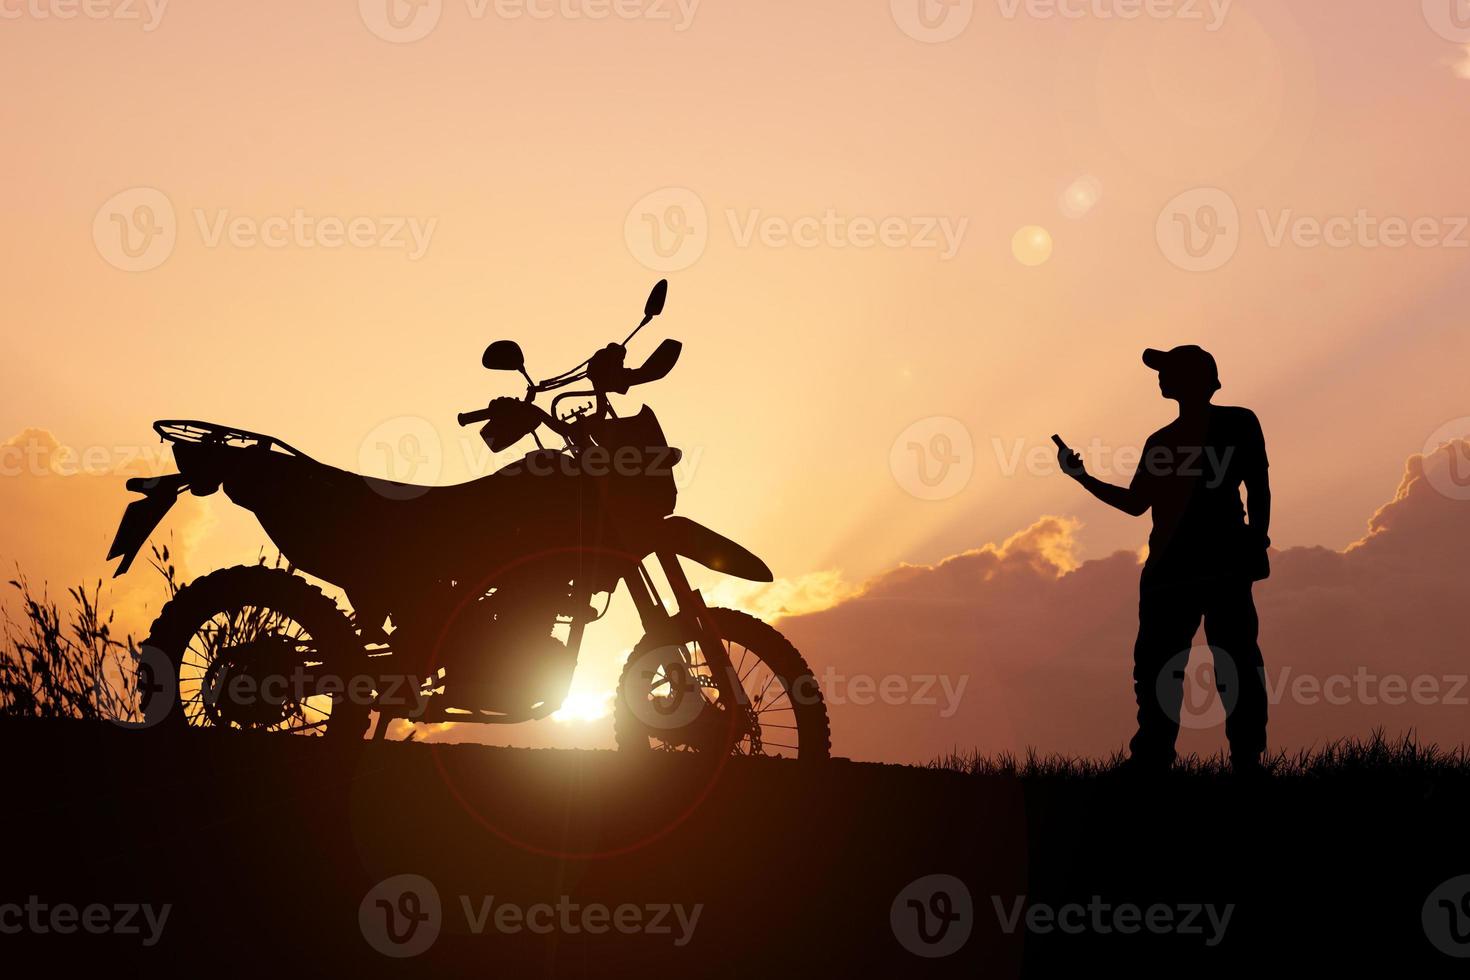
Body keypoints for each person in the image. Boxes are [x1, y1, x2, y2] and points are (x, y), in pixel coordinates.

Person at [1055, 346, 1270, 774]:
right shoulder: (1162, 440)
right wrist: (1082, 478)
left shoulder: (1237, 423)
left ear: (1195, 378)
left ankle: (1243, 761)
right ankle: (1154, 758)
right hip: (1173, 572)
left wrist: (1255, 542)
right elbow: (1138, 503)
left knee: (1235, 663)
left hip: (1212, 566)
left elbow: (1259, 487)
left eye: (1168, 370)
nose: (1160, 377)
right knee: (1161, 667)